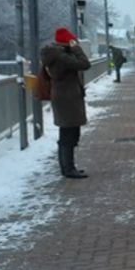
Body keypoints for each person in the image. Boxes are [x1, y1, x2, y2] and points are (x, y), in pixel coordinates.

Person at [41, 27, 91, 179]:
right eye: (72, 41)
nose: (74, 43)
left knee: (68, 133)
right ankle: (68, 169)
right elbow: (85, 63)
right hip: (67, 99)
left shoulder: (57, 55)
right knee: (68, 135)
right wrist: (76, 48)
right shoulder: (61, 57)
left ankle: (67, 167)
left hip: (65, 98)